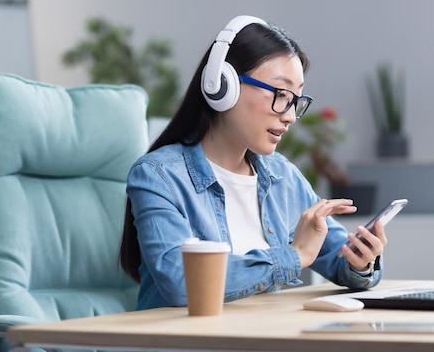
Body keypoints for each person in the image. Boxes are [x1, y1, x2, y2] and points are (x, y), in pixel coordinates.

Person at [119, 15, 387, 310]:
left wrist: (361, 261)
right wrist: (294, 256)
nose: (288, 115)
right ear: (222, 86)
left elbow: (339, 259)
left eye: (295, 100)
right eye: (279, 94)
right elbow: (182, 282)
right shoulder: (159, 176)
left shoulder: (283, 175)